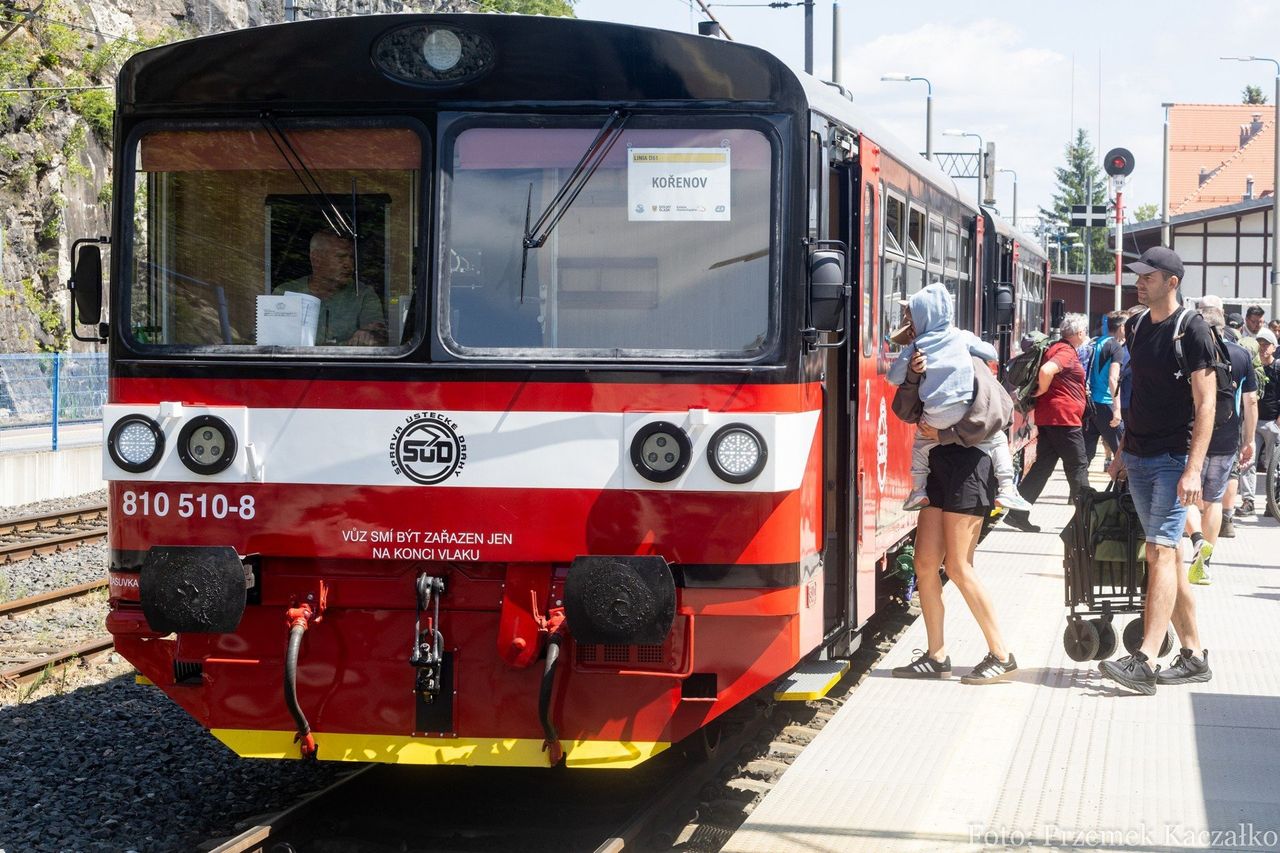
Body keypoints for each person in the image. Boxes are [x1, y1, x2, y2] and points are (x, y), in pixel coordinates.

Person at [1102, 246, 1213, 695]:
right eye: (1138, 276)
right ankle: (1193, 654)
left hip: (1173, 459)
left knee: (1160, 553)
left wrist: (1194, 469)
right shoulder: (1138, 327)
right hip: (1141, 455)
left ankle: (1145, 659)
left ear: (1172, 281)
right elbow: (1138, 394)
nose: (1138, 282)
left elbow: (1206, 405)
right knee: (1168, 556)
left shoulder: (1193, 330)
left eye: (1148, 276)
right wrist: (1123, 450)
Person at [889, 346, 1018, 684]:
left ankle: (1002, 655)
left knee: (959, 566)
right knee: (925, 563)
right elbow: (904, 411)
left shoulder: (968, 360)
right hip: (938, 466)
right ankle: (936, 655)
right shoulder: (920, 361)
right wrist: (914, 376)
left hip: (972, 465)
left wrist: (946, 434)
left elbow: (995, 417)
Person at [887, 283, 1030, 513]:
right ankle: (1007, 489)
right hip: (964, 409)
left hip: (935, 414)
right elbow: (992, 354)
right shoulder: (961, 337)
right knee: (997, 440)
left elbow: (893, 377)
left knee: (922, 443)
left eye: (911, 320)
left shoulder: (917, 346)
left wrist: (912, 369)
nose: (909, 326)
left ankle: (917, 490)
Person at [1182, 305, 1256, 584]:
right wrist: (1248, 440)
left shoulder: (1191, 352)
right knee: (1212, 501)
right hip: (1226, 437)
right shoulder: (1241, 354)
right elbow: (1250, 401)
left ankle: (1197, 539)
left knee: (1186, 496)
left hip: (1193, 435)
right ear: (1224, 326)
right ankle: (1205, 563)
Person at [1002, 314, 1090, 533]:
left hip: (1049, 416)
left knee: (1042, 467)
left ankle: (1017, 513)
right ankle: (1087, 520)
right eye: (1084, 332)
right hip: (1064, 419)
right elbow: (1046, 370)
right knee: (1078, 466)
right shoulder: (1066, 351)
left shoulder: (1055, 347)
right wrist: (1041, 390)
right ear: (1079, 333)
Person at [274, 231, 386, 346]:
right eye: (340, 257)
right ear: (316, 259)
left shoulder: (363, 294)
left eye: (351, 258)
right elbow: (267, 341)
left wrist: (368, 334)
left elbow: (378, 334)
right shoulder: (285, 293)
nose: (349, 264)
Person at [1083, 312, 1127, 465]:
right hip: (1106, 403)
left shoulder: (1095, 343)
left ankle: (1080, 487)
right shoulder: (1115, 347)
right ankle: (1126, 488)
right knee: (1123, 452)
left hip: (1090, 404)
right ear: (1121, 327)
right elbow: (1113, 379)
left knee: (1086, 454)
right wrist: (1117, 409)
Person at [1244, 327, 1280, 503]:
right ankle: (1248, 500)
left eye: (1267, 345)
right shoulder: (1251, 367)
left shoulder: (1278, 367)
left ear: (1274, 347)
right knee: (1248, 461)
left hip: (1273, 421)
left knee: (1273, 465)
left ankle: (1272, 501)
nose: (1263, 348)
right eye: (1260, 344)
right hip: (1253, 422)